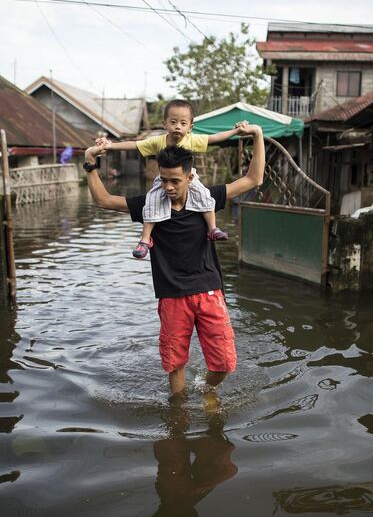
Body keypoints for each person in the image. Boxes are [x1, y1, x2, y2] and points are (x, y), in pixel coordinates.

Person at [84, 122, 266, 400]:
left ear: (190, 178)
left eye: (175, 181)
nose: (168, 187)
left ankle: (207, 389)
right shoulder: (150, 205)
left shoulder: (206, 199)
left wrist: (258, 135)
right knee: (174, 362)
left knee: (226, 363)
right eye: (164, 179)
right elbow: (104, 200)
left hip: (208, 291)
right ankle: (178, 412)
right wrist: (89, 164)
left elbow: (253, 179)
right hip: (172, 296)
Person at [94, 99, 247, 259]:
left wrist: (235, 132)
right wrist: (111, 145)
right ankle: (145, 239)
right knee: (151, 200)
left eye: (183, 123)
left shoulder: (192, 139)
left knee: (205, 196)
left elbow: (215, 138)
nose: (177, 127)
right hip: (163, 180)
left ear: (190, 127)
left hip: (189, 178)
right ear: (164, 124)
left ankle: (213, 229)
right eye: (173, 122)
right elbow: (135, 145)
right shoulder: (158, 141)